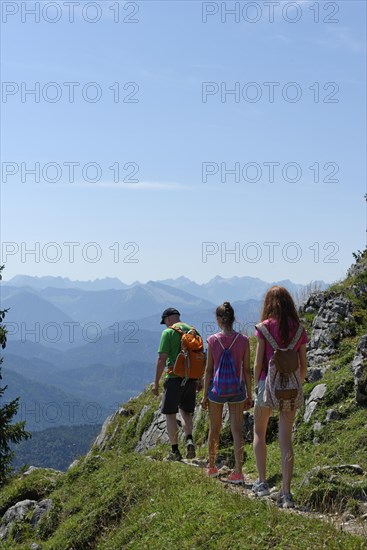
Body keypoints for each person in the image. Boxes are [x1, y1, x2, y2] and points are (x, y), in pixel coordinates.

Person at [252, 286, 308, 508]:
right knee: (286, 440)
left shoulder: (263, 329)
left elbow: (258, 363)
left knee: (259, 432)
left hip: (267, 384)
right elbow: (303, 366)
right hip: (290, 389)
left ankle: (262, 483)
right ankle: (286, 493)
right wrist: (296, 383)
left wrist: (257, 384)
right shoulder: (299, 330)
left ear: (269, 304)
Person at [201, 302, 252, 483]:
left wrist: (205, 395)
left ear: (218, 320)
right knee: (237, 431)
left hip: (217, 391)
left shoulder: (213, 340)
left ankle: (212, 467)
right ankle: (238, 472)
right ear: (233, 319)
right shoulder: (244, 341)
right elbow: (246, 370)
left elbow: (208, 370)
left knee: (214, 429)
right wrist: (249, 395)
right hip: (237, 391)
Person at [152, 307, 198, 461]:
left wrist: (155, 383)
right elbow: (199, 357)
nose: (165, 324)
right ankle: (189, 438)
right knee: (185, 412)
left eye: (164, 321)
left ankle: (175, 451)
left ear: (169, 318)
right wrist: (200, 379)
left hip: (173, 378)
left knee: (170, 414)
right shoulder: (193, 331)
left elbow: (161, 360)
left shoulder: (168, 333)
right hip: (191, 378)